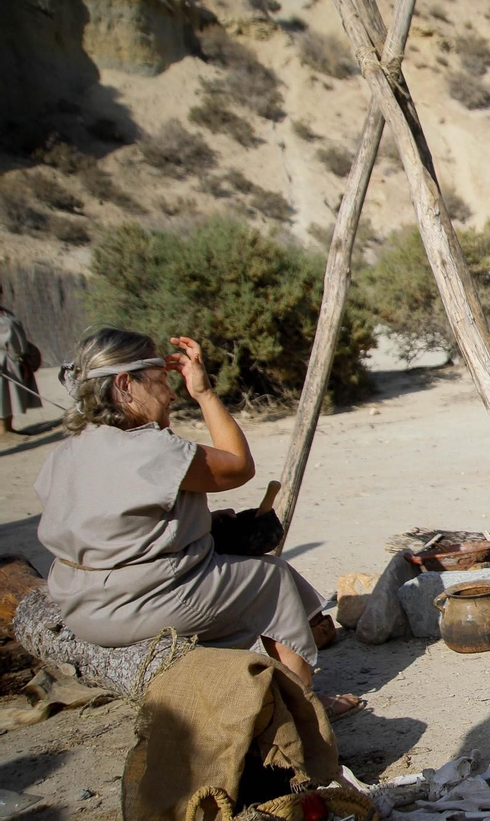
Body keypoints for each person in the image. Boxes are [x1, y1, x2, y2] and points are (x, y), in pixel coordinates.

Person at [33, 328, 361, 720]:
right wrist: (204, 393)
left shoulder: (67, 452)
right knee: (271, 580)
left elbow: (111, 526)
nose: (171, 394)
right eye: (160, 382)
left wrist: (198, 522)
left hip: (81, 604)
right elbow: (239, 466)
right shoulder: (150, 448)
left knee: (239, 573)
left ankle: (278, 669)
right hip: (136, 604)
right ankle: (300, 712)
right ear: (124, 384)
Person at [0, 283, 42, 436]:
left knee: (12, 395)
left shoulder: (6, 313)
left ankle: (8, 428)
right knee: (1, 396)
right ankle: (3, 431)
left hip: (14, 360)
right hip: (1, 361)